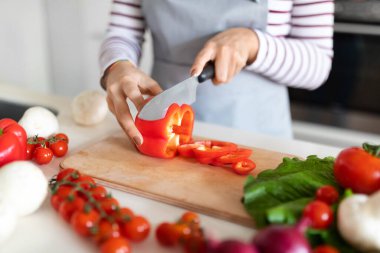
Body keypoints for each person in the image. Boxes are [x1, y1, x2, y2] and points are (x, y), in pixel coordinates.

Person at [99, 0, 334, 146]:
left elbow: (318, 65)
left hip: (260, 138)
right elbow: (122, 33)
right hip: (163, 132)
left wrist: (255, 44)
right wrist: (117, 65)